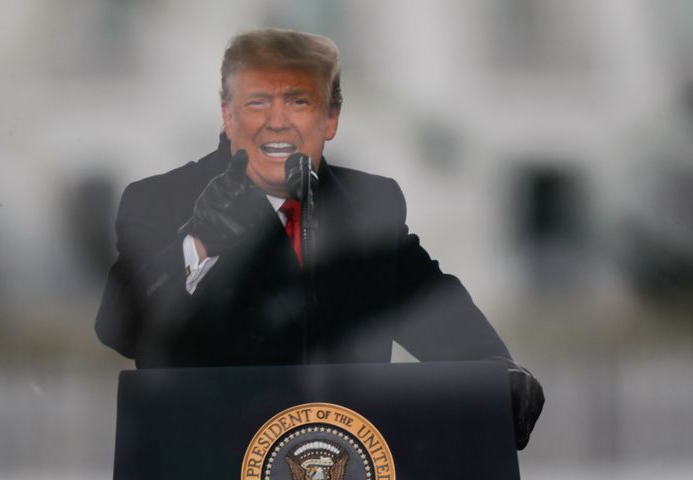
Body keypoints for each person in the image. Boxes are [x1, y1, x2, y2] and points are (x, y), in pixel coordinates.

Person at [95, 28, 543, 449]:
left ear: (330, 119)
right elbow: (121, 326)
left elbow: (430, 307)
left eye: (299, 102)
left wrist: (495, 372)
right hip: (205, 457)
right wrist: (198, 241)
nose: (277, 122)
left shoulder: (370, 204)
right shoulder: (160, 199)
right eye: (257, 102)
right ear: (228, 116)